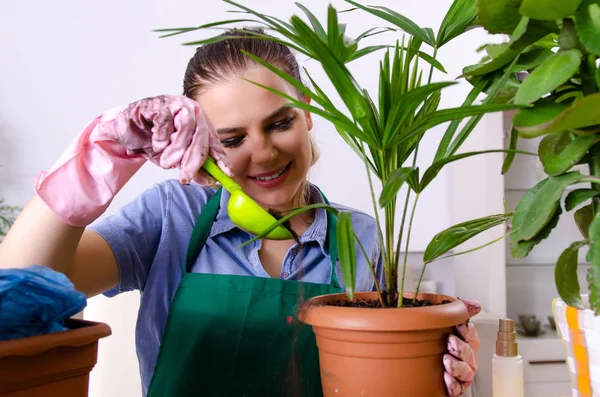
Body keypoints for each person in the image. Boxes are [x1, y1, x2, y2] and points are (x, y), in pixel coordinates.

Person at [0, 29, 480, 397]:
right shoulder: (173, 215)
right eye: (232, 139)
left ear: (308, 112)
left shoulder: (360, 235)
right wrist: (100, 156)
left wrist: (442, 370)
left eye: (280, 123)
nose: (265, 153)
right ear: (206, 144)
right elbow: (18, 285)